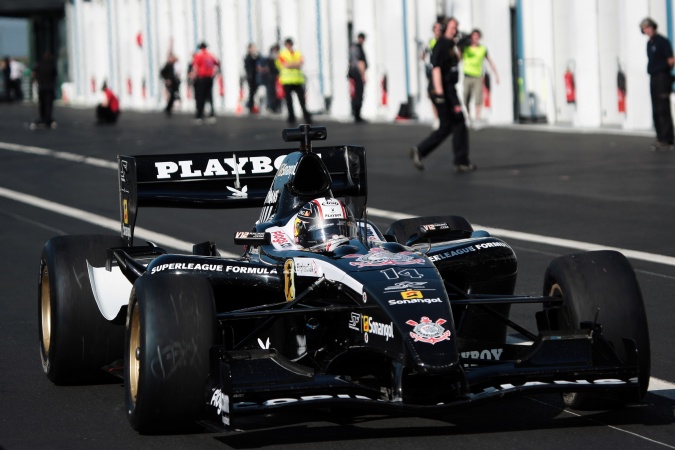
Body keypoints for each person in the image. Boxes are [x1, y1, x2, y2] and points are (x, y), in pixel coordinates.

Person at [408, 17, 474, 173]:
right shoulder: (442, 45)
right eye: (452, 27)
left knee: (454, 124)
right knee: (453, 124)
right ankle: (458, 160)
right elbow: (436, 69)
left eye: (456, 27)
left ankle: (458, 160)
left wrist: (461, 49)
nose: (455, 30)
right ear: (445, 29)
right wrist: (440, 94)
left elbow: (453, 63)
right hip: (444, 90)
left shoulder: (450, 45)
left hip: (449, 89)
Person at [640, 17, 674, 151]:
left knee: (663, 108)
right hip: (653, 77)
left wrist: (665, 71)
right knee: (656, 109)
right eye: (644, 29)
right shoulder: (649, 43)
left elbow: (671, 60)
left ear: (653, 27)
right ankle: (660, 137)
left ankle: (668, 139)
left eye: (648, 27)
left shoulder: (662, 41)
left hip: (662, 77)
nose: (647, 30)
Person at [462, 29, 499, 124]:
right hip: (467, 76)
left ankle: (477, 119)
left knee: (478, 98)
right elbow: (458, 57)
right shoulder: (465, 48)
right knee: (466, 96)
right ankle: (468, 116)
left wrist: (496, 75)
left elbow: (490, 61)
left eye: (477, 37)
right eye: (473, 36)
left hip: (478, 76)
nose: (475, 39)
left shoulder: (482, 49)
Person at [277, 38, 312, 125]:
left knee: (302, 100)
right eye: (287, 44)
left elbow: (300, 62)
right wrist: (294, 64)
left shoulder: (297, 53)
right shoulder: (282, 54)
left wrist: (291, 64)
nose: (289, 46)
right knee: (289, 101)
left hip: (297, 80)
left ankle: (306, 117)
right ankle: (291, 117)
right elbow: (284, 64)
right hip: (287, 81)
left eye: (290, 44)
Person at [190, 42, 220, 123]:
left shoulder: (199, 56)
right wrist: (213, 74)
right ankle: (211, 114)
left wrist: (193, 77)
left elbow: (195, 67)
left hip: (201, 78)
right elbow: (217, 65)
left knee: (200, 97)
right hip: (209, 78)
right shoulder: (210, 56)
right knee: (209, 96)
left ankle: (199, 115)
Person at [422, 22, 443, 128]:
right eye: (436, 29)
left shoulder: (445, 41)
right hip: (433, 73)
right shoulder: (431, 41)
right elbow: (422, 56)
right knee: (434, 96)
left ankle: (444, 117)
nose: (438, 30)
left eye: (440, 28)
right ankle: (436, 118)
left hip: (443, 72)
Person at [31, 52, 58, 128]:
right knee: (48, 105)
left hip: (41, 87)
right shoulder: (51, 65)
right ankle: (47, 119)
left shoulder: (39, 64)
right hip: (49, 87)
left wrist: (35, 81)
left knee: (42, 104)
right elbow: (55, 75)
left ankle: (42, 118)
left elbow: (33, 74)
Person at [348, 32, 368, 123]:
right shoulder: (358, 47)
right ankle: (357, 115)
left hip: (353, 73)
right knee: (359, 94)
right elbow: (360, 63)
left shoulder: (353, 47)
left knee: (356, 94)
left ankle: (356, 114)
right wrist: (362, 75)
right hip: (357, 73)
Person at [244, 43, 262, 114]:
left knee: (254, 92)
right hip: (251, 77)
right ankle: (250, 106)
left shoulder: (253, 57)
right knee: (252, 92)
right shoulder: (248, 57)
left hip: (254, 76)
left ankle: (251, 105)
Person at [263, 44, 282, 113]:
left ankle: (276, 106)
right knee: (271, 93)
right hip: (271, 77)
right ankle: (271, 106)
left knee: (278, 93)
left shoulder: (278, 57)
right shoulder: (270, 58)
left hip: (278, 77)